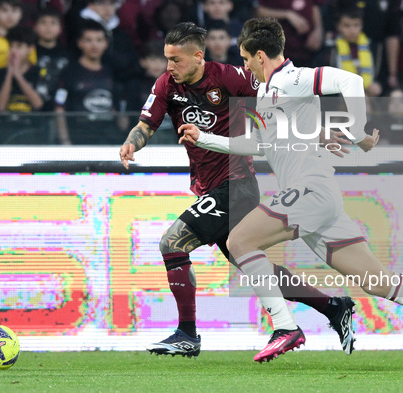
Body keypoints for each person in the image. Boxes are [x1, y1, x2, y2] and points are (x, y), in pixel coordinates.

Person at [179, 17, 403, 363]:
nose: (244, 67)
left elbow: (350, 80)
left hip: (310, 191)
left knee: (239, 241)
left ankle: (285, 327)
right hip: (317, 200)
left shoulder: (291, 78)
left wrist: (357, 129)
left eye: (244, 59)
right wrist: (205, 138)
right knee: (378, 283)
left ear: (259, 55)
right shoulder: (269, 92)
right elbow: (260, 144)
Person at [119, 21, 358, 358]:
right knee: (253, 263)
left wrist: (315, 130)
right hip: (208, 188)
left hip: (236, 184)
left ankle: (187, 334)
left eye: (176, 60)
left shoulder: (230, 77)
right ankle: (333, 306)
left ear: (198, 56)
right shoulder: (165, 85)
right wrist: (132, 144)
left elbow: (281, 101)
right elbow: (146, 124)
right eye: (167, 59)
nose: (169, 67)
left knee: (172, 243)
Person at [54, 20, 127, 145]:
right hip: (79, 139)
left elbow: (117, 108)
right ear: (80, 43)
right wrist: (65, 141)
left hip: (108, 139)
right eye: (89, 40)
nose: (94, 45)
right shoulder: (69, 73)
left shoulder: (112, 73)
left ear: (106, 43)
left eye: (99, 40)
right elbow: (59, 109)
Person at [0, 25, 44, 143]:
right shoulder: (1, 73)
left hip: (32, 130)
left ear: (30, 49)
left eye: (19, 46)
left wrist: (18, 75)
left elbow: (38, 104)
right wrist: (10, 73)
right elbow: (0, 106)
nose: (14, 51)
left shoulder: (38, 72)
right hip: (6, 129)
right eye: (11, 46)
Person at [332, 7, 382, 97]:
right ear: (338, 26)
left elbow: (380, 78)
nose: (352, 31)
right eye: (347, 26)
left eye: (356, 25)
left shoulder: (373, 47)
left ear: (362, 26)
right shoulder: (331, 50)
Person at [34, 7, 69, 112]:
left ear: (60, 28)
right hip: (34, 107)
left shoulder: (68, 55)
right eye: (43, 23)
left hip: (62, 108)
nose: (48, 27)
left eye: (53, 23)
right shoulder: (29, 53)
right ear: (35, 27)